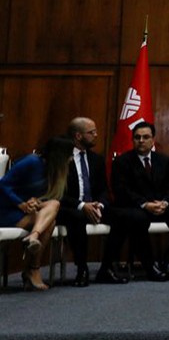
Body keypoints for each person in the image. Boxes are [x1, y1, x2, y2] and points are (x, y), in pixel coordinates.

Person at [111, 121, 169, 281]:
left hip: (161, 207)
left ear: (152, 140)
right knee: (138, 219)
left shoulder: (163, 160)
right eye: (137, 137)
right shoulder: (122, 162)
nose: (141, 141)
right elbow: (122, 191)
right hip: (137, 208)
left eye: (145, 137)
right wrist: (145, 204)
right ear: (133, 140)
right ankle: (150, 266)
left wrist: (165, 203)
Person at [57, 117, 129, 286]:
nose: (96, 135)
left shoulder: (96, 159)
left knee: (123, 217)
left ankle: (106, 269)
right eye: (91, 132)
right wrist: (82, 206)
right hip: (69, 207)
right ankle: (82, 269)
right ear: (78, 136)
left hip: (95, 206)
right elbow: (56, 193)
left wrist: (100, 204)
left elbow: (104, 189)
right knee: (78, 217)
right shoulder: (62, 158)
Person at [0, 136, 73, 290]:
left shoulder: (53, 170)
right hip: (7, 211)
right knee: (50, 223)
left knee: (54, 204)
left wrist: (35, 202)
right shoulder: (32, 162)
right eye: (69, 155)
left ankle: (33, 237)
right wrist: (20, 203)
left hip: (26, 211)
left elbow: (40, 196)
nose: (71, 159)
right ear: (59, 155)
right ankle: (32, 269)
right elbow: (3, 185)